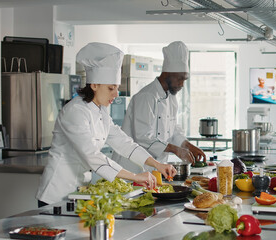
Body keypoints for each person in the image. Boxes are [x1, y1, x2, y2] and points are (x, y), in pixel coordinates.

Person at [36, 42, 176, 206]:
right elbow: (92, 156)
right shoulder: (75, 111)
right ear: (94, 85)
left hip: (79, 192)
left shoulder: (101, 111)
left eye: (117, 88)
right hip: (56, 194)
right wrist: (135, 176)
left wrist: (157, 164)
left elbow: (124, 143)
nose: (116, 94)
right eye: (111, 88)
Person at [113, 41, 206, 173]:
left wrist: (188, 146)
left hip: (155, 167)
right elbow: (143, 136)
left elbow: (173, 130)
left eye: (184, 80)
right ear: (167, 74)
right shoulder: (146, 96)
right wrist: (175, 149)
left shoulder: (172, 98)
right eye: (180, 79)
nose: (182, 84)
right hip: (131, 167)